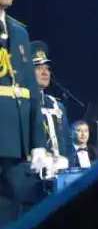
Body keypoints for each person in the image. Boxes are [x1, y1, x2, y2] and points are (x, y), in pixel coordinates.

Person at [0, 0, 47, 229]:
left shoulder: (19, 32)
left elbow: (31, 93)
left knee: (12, 220)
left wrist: (38, 144)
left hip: (15, 146)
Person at [31, 41, 70, 175]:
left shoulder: (57, 106)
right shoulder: (21, 104)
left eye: (47, 68)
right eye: (38, 67)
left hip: (58, 174)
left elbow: (66, 143)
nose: (45, 72)